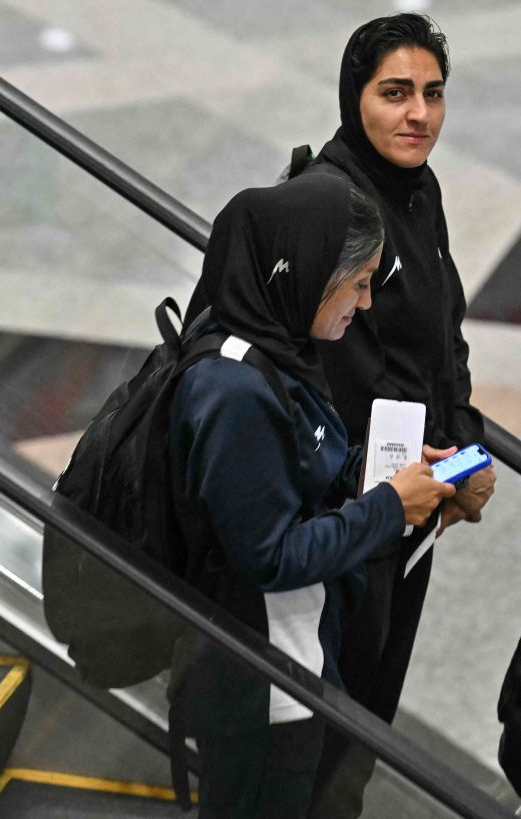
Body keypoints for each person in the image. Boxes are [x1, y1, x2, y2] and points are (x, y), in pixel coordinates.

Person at [166, 173, 456, 819]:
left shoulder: (279, 340)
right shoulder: (235, 387)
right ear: (307, 269)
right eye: (357, 282)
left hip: (294, 658)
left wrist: (389, 474)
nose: (366, 303)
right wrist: (386, 507)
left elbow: (300, 463)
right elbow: (270, 555)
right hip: (262, 682)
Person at [300, 14, 496, 818]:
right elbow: (355, 382)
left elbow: (444, 338)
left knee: (372, 705)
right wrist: (442, 473)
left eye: (433, 94)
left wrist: (470, 457)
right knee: (329, 704)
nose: (418, 114)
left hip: (414, 504)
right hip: (352, 507)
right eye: (395, 93)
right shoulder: (331, 203)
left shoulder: (420, 191)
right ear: (356, 98)